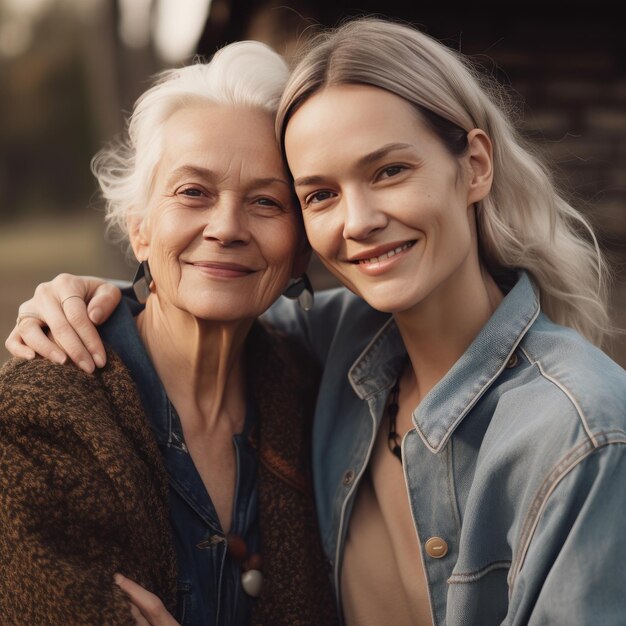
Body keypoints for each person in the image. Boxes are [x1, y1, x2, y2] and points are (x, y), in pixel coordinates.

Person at [7, 16, 626, 626]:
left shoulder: (581, 434)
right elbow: (204, 297)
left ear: (475, 166)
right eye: (320, 194)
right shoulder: (335, 349)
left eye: (389, 171)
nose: (357, 221)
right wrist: (91, 299)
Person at [0, 39, 339, 626]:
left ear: (300, 250)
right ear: (140, 229)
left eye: (266, 201)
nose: (227, 228)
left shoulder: (318, 399)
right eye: (193, 192)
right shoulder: (42, 416)